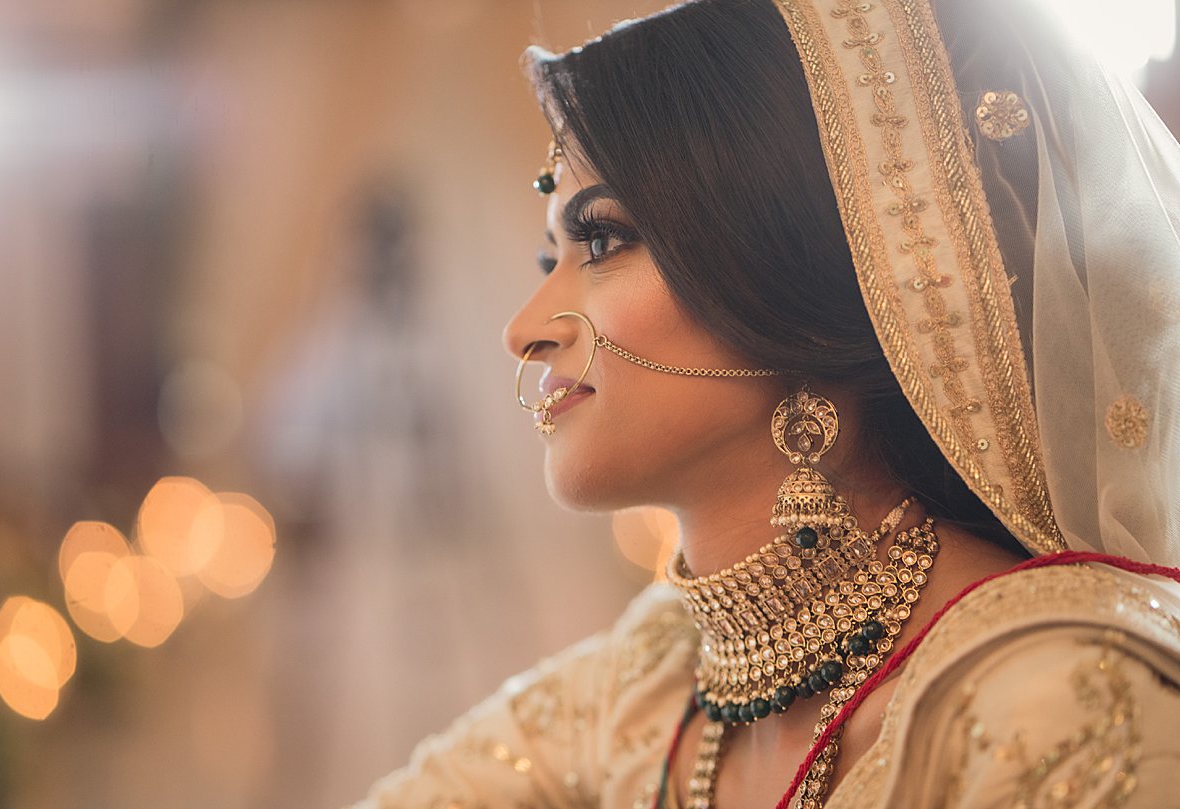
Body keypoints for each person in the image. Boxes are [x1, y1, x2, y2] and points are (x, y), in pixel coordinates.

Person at [355, 0, 1180, 805]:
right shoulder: (648, 687)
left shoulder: (1063, 701)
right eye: (550, 260)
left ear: (787, 271)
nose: (523, 330)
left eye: (602, 241)